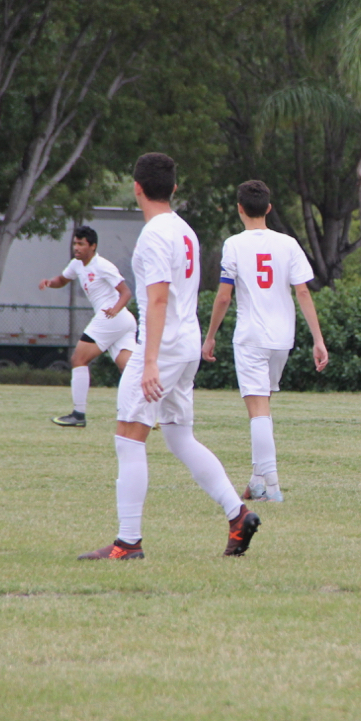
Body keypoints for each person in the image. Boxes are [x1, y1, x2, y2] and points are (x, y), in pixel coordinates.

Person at [78, 152, 259, 561]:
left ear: (137, 188)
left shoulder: (154, 235)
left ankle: (128, 542)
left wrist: (151, 361)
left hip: (163, 346)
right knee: (178, 435)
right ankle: (237, 515)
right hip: (187, 341)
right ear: (174, 188)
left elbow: (157, 299)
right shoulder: (184, 230)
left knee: (128, 436)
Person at [202, 179, 329, 503]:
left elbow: (223, 297)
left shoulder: (234, 244)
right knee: (264, 406)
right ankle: (257, 481)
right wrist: (318, 339)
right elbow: (302, 291)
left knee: (258, 410)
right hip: (281, 339)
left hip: (251, 337)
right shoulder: (288, 243)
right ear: (269, 208)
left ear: (240, 208)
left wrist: (211, 336)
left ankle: (271, 486)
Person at [38, 226, 137, 427]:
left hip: (112, 317)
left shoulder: (103, 265)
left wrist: (115, 310)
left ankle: (78, 414)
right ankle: (149, 414)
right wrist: (50, 282)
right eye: (75, 243)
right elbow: (63, 280)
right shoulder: (76, 264)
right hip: (122, 321)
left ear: (93, 246)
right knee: (130, 369)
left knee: (78, 358)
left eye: (81, 244)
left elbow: (126, 292)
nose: (77, 247)